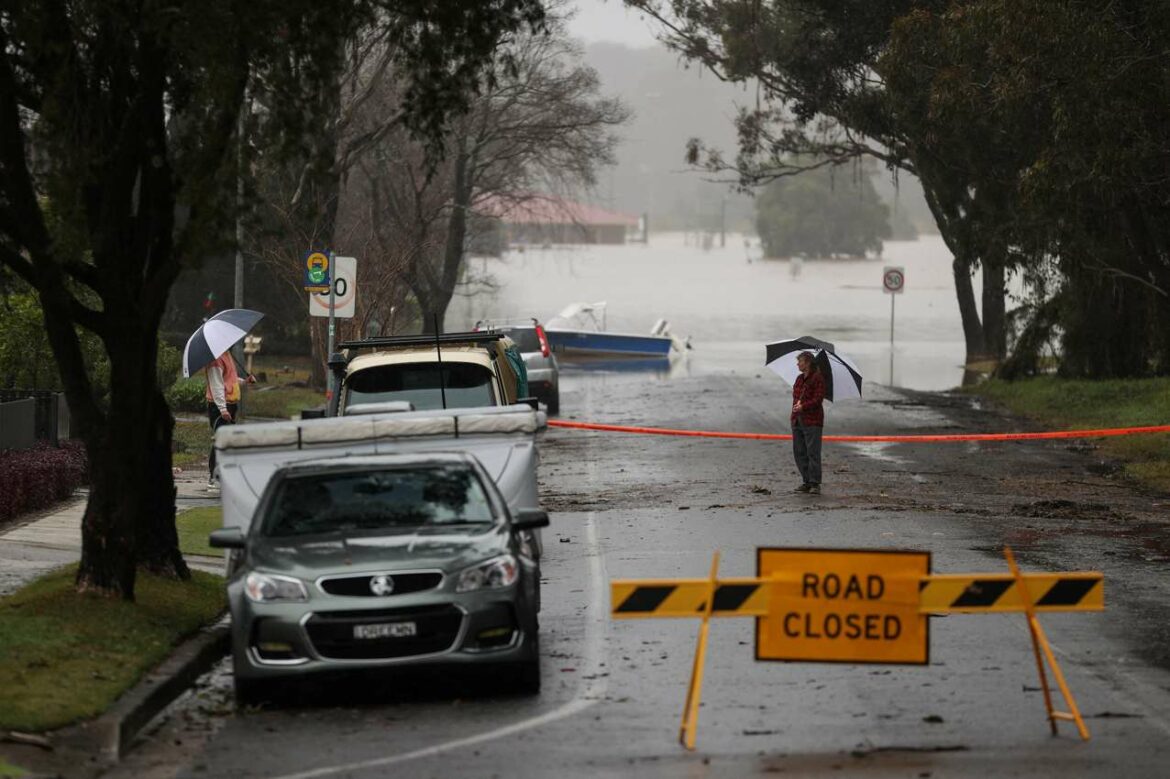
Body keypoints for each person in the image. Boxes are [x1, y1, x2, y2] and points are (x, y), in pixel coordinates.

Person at [205, 351, 254, 492]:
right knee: (220, 441)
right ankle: (214, 479)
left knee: (228, 442)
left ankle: (224, 477)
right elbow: (217, 385)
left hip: (230, 405)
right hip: (220, 407)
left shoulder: (227, 355)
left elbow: (229, 379)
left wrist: (244, 381)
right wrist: (222, 409)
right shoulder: (215, 360)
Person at [790, 351, 826, 495]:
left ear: (808, 363)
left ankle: (815, 483)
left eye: (800, 361)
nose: (798, 364)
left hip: (812, 421)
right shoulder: (799, 379)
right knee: (799, 451)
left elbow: (818, 399)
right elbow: (795, 397)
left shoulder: (817, 378)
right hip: (797, 420)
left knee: (813, 452)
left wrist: (803, 406)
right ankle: (806, 481)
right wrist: (796, 410)